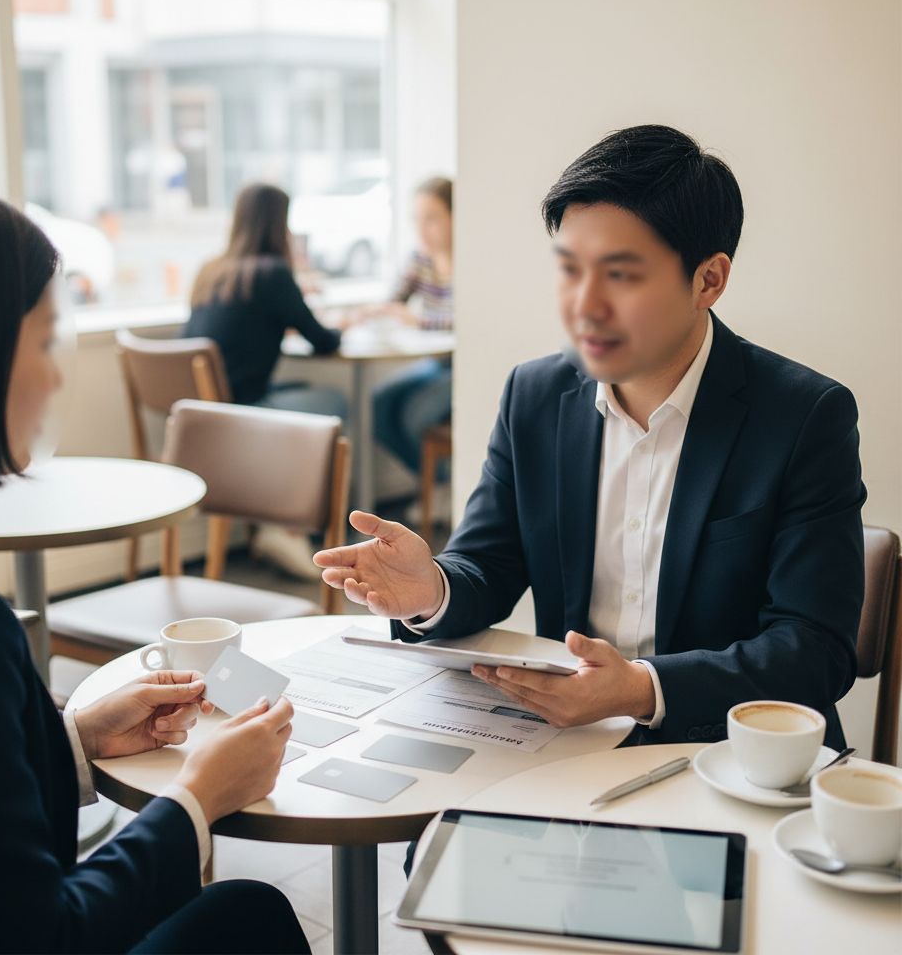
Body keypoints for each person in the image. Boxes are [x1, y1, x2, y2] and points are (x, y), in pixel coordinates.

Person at [315, 126, 865, 750]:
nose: (585, 307)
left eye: (621, 275)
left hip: (731, 753)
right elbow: (488, 564)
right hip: (569, 742)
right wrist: (432, 591)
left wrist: (642, 689)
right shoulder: (535, 395)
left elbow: (815, 648)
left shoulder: (803, 416)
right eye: (570, 270)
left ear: (708, 280)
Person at [0, 179, 310, 955]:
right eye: (45, 340)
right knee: (248, 916)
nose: (57, 375)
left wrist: (75, 738)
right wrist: (197, 797)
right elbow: (37, 937)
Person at [185, 182, 347, 579]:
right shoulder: (274, 273)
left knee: (303, 398)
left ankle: (278, 525)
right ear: (279, 224)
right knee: (335, 403)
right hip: (242, 412)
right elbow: (323, 340)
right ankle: (286, 527)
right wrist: (342, 323)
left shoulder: (211, 270)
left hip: (201, 414)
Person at [370, 177, 454, 519]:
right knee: (378, 404)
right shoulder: (421, 259)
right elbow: (395, 301)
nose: (422, 229)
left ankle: (445, 489)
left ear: (455, 217)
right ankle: (441, 486)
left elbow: (468, 320)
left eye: (431, 218)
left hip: (463, 365)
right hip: (435, 363)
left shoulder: (471, 260)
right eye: (416, 219)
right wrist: (363, 314)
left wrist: (419, 321)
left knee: (415, 416)